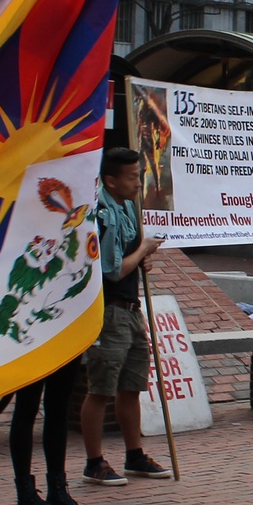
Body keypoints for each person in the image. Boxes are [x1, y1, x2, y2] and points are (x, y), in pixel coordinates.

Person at [80, 147, 171, 486]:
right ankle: (94, 461)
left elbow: (130, 258)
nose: (138, 182)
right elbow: (113, 270)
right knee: (101, 388)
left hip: (131, 310)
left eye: (139, 175)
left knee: (132, 385)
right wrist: (143, 250)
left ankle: (134, 454)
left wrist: (141, 256)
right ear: (111, 180)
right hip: (110, 310)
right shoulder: (102, 212)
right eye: (132, 177)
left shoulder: (130, 208)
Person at [10, 359, 91, 505]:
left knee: (59, 408)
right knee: (26, 407)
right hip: (32, 341)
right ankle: (26, 497)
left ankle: (58, 490)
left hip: (65, 338)